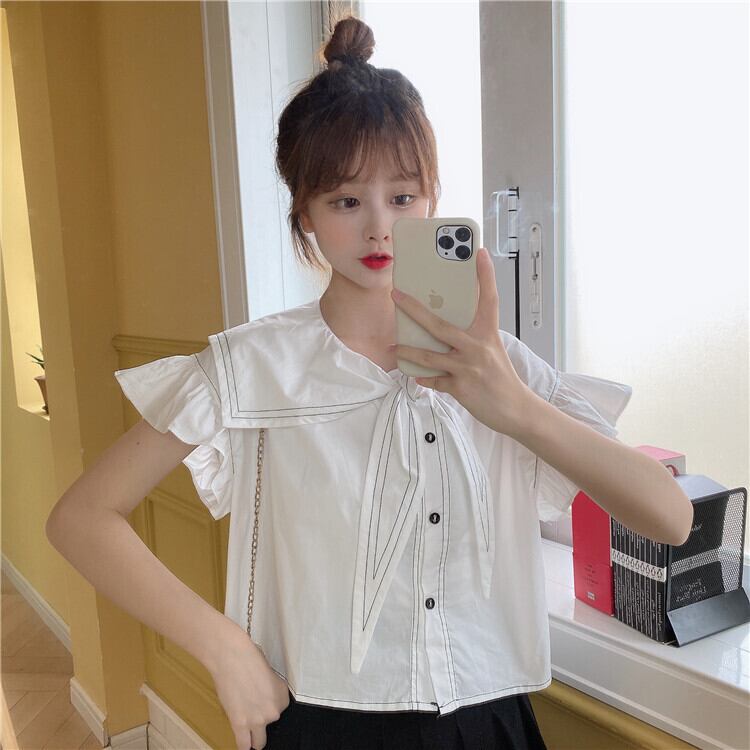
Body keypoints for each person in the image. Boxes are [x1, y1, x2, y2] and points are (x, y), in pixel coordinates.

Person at [46, 15, 693, 750]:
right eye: (347, 202)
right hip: (318, 723)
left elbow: (669, 518)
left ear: (433, 199)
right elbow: (81, 519)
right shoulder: (250, 367)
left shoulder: (496, 363)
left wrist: (513, 407)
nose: (380, 227)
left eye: (405, 197)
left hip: (484, 723)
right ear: (305, 214)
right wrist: (222, 647)